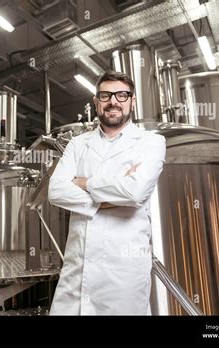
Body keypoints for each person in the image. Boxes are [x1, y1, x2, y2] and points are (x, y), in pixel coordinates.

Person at [48, 70, 166, 315]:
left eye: (122, 95)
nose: (113, 101)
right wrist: (112, 195)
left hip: (122, 278)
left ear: (132, 100)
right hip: (76, 272)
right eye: (106, 95)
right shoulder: (78, 144)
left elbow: (134, 192)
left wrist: (82, 183)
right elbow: (56, 190)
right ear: (96, 102)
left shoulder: (150, 142)